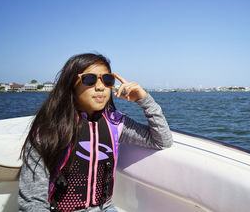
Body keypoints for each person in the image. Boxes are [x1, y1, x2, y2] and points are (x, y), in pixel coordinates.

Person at [19, 53, 173, 212]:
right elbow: (32, 203)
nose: (100, 87)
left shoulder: (116, 123)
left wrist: (144, 100)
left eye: (107, 79)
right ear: (71, 84)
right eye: (89, 79)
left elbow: (162, 140)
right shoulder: (49, 131)